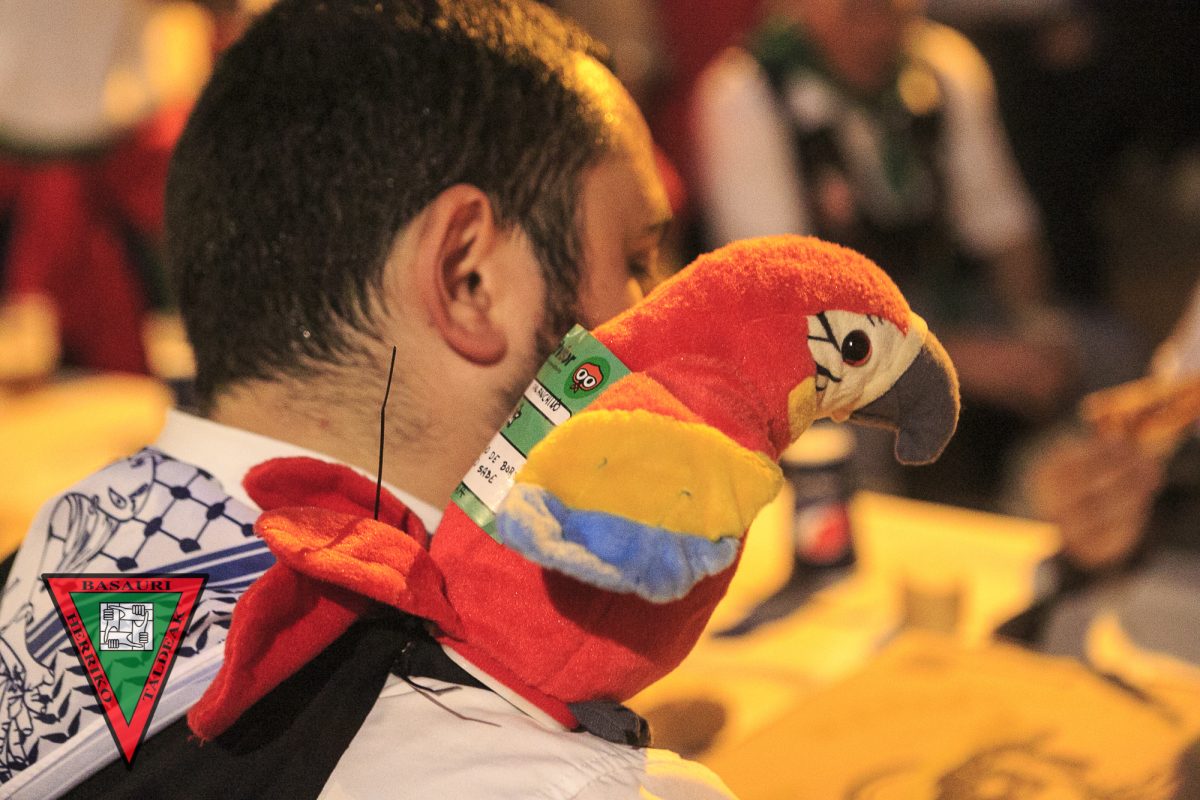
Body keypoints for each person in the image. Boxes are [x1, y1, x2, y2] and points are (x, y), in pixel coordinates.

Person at [0, 1, 744, 797]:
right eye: (635, 259)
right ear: (469, 279)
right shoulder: (568, 786)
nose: (655, 316)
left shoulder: (38, 572)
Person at [691, 0, 1080, 508]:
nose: (875, 31)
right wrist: (958, 361)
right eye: (853, 12)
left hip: (942, 312)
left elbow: (1005, 230)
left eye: (892, 10)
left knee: (1099, 358)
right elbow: (786, 310)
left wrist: (1034, 326)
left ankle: (1049, 528)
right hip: (817, 353)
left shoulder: (944, 66)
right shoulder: (745, 93)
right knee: (845, 443)